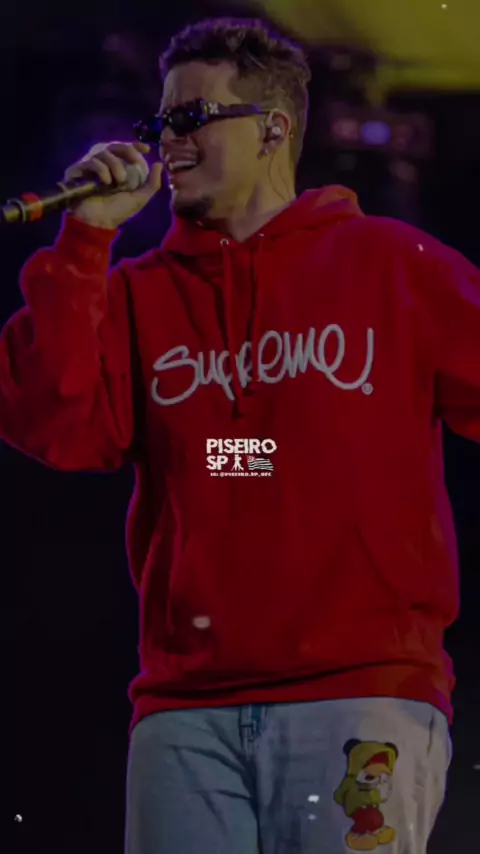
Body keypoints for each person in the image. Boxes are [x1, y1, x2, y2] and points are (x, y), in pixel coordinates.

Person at [6, 14, 480, 854]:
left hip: (360, 691)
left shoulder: (392, 265)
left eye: (192, 118)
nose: (168, 142)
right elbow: (54, 422)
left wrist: (250, 455)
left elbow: (260, 456)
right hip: (185, 708)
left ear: (274, 128)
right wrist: (85, 243)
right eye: (161, 122)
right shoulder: (137, 294)